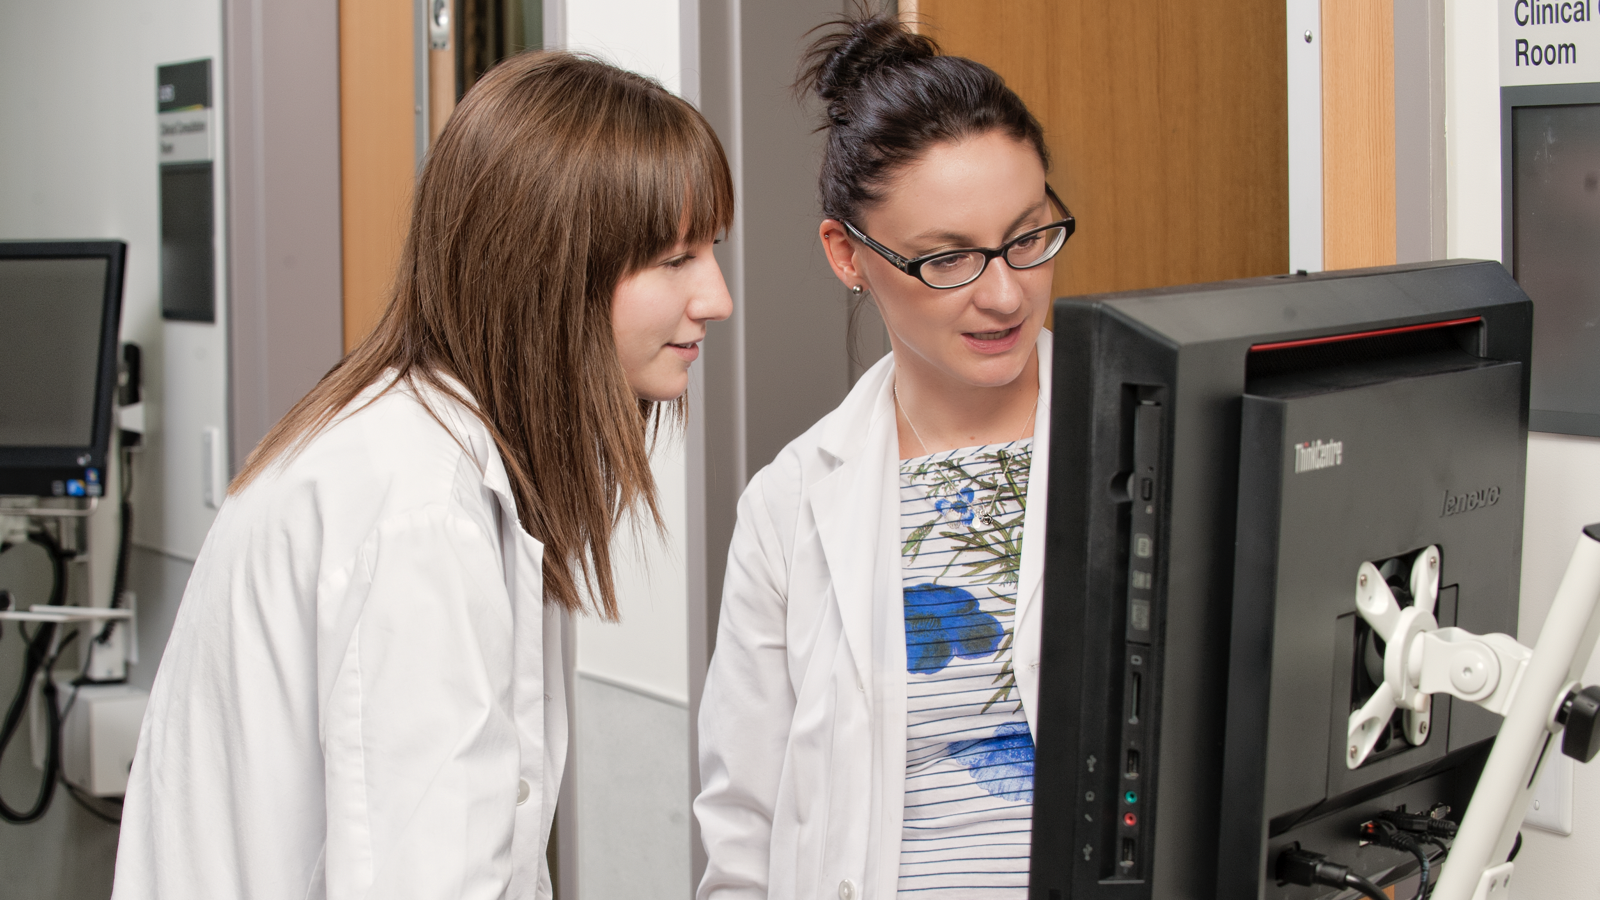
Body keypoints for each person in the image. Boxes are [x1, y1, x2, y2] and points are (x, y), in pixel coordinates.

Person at [112, 52, 733, 900]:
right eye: (675, 259)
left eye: (713, 250)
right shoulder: (421, 511)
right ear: (550, 266)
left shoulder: (424, 451)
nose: (717, 297)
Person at [694, 13, 1073, 900]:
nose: (1006, 292)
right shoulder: (789, 506)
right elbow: (745, 829)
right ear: (848, 256)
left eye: (1029, 236)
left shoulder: (1141, 439)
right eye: (948, 259)